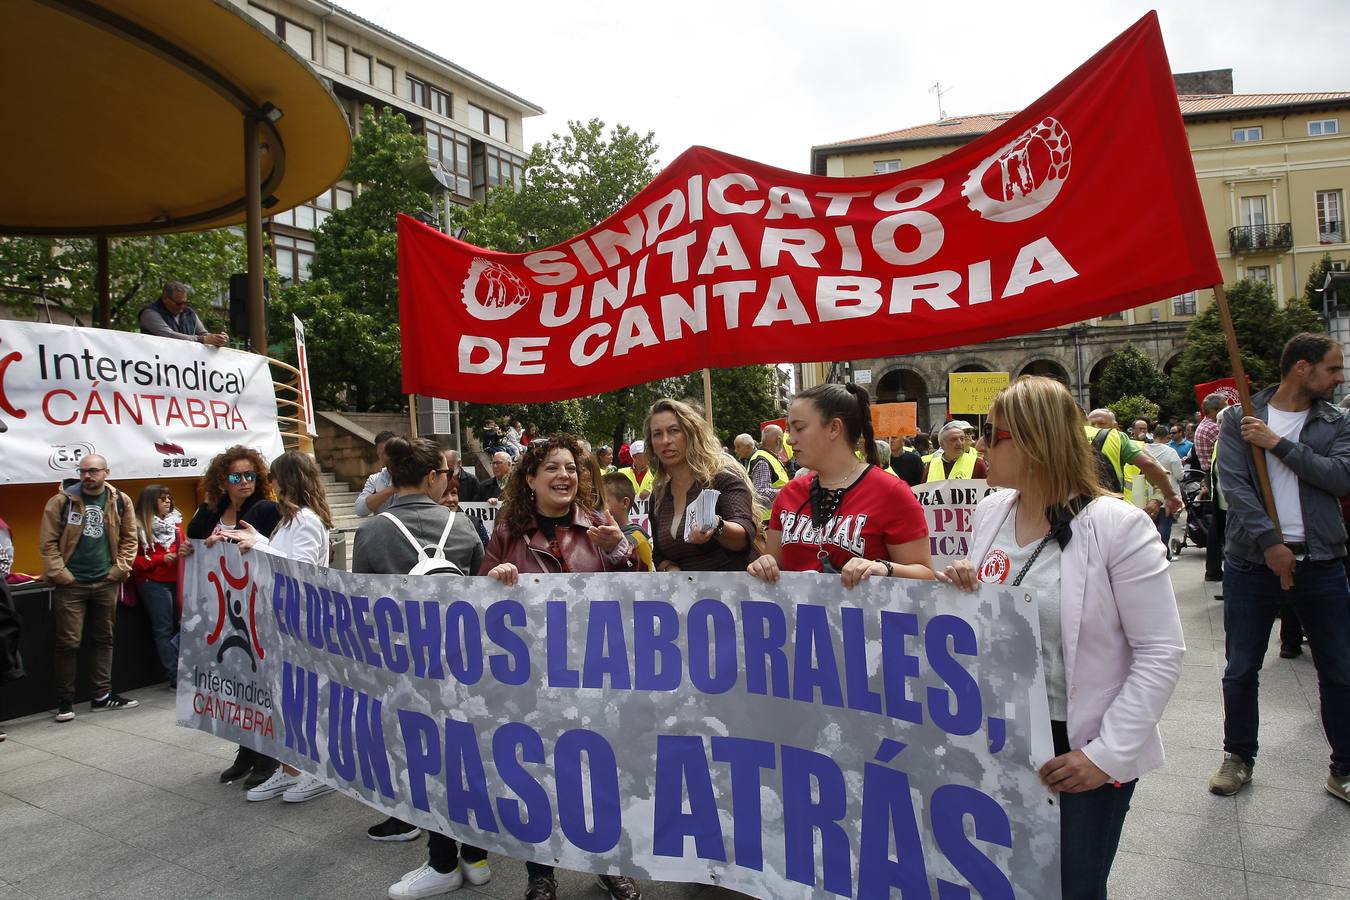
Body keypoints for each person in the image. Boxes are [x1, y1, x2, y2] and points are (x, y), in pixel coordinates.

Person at [937, 376, 1183, 899]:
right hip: (1000, 733)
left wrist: (1105, 756)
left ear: (1033, 442)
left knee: (1072, 886)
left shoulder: (1119, 527)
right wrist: (967, 582)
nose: (980, 446)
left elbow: (1161, 652)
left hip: (1079, 747)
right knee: (1001, 880)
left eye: (993, 434)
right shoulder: (991, 510)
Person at [480, 436, 640, 900]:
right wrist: (495, 582)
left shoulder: (599, 524)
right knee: (539, 771)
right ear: (529, 479)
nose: (564, 476)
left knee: (601, 768)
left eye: (570, 467)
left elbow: (636, 598)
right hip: (534, 674)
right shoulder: (508, 532)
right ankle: (541, 873)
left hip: (595, 671)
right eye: (551, 468)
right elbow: (478, 602)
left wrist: (618, 550)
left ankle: (609, 863)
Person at [1209, 333, 1350, 805]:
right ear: (1302, 369)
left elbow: (1340, 477)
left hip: (1322, 560)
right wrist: (1271, 542)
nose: (1340, 377)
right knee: (1240, 668)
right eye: (1333, 369)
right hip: (1252, 562)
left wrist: (1278, 446)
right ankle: (1238, 756)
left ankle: (1344, 768)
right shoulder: (1239, 418)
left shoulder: (1335, 421)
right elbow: (1236, 486)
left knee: (1340, 670)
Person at [350, 437, 493, 895]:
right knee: (467, 758)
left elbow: (361, 608)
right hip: (463, 667)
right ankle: (475, 855)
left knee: (424, 761)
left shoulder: (371, 533)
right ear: (433, 476)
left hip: (404, 669)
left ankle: (442, 862)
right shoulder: (465, 528)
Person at [219, 450, 336, 804]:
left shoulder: (306, 520)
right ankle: (290, 771)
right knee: (284, 699)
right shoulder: (291, 520)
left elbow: (301, 569)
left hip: (300, 621)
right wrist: (260, 541)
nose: (269, 484)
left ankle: (316, 773)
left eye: (274, 477)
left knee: (300, 699)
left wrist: (261, 545)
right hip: (282, 619)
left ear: (287, 480)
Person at [748, 383, 933, 586]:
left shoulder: (891, 492)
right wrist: (764, 565)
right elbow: (775, 565)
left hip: (865, 616)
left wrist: (884, 568)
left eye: (799, 428)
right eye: (789, 430)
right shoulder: (790, 492)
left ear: (834, 428)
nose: (790, 440)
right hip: (801, 616)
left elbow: (926, 576)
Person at [188, 446, 282, 785]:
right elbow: (193, 541)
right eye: (235, 476)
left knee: (260, 681)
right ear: (221, 480)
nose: (243, 481)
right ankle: (246, 748)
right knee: (234, 681)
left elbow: (273, 550)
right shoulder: (210, 511)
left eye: (249, 475)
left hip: (257, 607)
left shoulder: (266, 509)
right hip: (220, 608)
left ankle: (268, 755)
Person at [38, 454, 140, 721]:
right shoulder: (61, 501)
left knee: (104, 639)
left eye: (93, 471)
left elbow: (130, 538)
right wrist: (60, 574)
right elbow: (47, 543)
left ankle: (101, 696)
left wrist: (119, 568)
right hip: (71, 585)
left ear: (106, 471)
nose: (87, 476)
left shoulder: (120, 500)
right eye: (83, 471)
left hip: (105, 582)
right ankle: (65, 700)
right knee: (68, 642)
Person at [643, 399, 758, 573]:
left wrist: (716, 526)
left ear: (691, 434)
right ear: (651, 444)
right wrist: (669, 567)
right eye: (657, 434)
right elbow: (658, 553)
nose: (665, 440)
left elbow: (744, 535)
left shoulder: (722, 480)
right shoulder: (658, 496)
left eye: (674, 431)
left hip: (733, 594)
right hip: (686, 597)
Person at [131, 485, 187, 690]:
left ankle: (186, 670)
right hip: (153, 583)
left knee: (183, 626)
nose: (167, 502)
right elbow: (132, 561)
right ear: (150, 502)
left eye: (169, 498)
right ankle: (174, 676)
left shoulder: (176, 524)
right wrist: (160, 559)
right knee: (164, 629)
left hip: (178, 580)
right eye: (162, 498)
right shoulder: (137, 526)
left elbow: (185, 546)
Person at [1195, 392, 1228, 584]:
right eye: (1224, 406)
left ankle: (1213, 568)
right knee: (1220, 526)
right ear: (1214, 410)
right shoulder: (1214, 427)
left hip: (1211, 476)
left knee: (1217, 525)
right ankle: (1214, 568)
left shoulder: (1204, 426)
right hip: (1216, 477)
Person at [138, 281, 228, 346]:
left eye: (185, 303)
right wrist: (201, 339)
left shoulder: (189, 313)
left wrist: (218, 338)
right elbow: (168, 335)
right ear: (165, 299)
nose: (183, 306)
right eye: (179, 303)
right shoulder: (150, 313)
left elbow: (203, 334)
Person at [1144, 425, 1184, 559]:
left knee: (1150, 525)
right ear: (1166, 437)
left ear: (1153, 435)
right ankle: (1164, 553)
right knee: (1165, 523)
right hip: (1167, 492)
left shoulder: (1143, 449)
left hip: (1147, 492)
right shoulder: (1171, 452)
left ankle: (1151, 554)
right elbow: (1179, 475)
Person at [603, 472, 653, 570]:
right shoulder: (598, 535)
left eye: (604, 501)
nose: (596, 506)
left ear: (625, 503)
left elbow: (647, 579)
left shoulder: (639, 542)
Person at [441, 451, 490, 547]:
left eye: (454, 493)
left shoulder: (475, 525)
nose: (450, 499)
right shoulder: (426, 525)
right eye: (444, 494)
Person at [740, 432, 789, 519]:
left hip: (774, 517)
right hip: (768, 519)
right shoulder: (762, 460)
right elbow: (760, 492)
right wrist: (788, 490)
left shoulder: (767, 457)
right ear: (778, 440)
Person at [924, 420, 988, 482]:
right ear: (942, 444)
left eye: (962, 439)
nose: (960, 443)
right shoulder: (931, 465)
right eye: (954, 440)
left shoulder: (977, 463)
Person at [354, 430, 399, 517]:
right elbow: (360, 509)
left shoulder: (411, 475)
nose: (383, 457)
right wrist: (392, 489)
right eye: (380, 454)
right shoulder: (375, 479)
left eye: (386, 453)